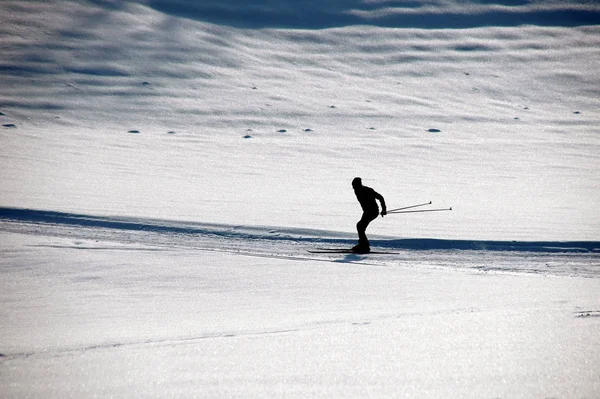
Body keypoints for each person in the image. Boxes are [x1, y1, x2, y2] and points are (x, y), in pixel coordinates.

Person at [351, 177, 386, 253]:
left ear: (359, 185)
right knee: (360, 227)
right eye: (353, 186)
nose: (353, 187)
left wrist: (384, 209)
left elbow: (380, 197)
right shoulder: (357, 190)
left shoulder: (367, 190)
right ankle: (363, 245)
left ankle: (364, 246)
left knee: (360, 226)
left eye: (354, 185)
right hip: (367, 212)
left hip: (372, 211)